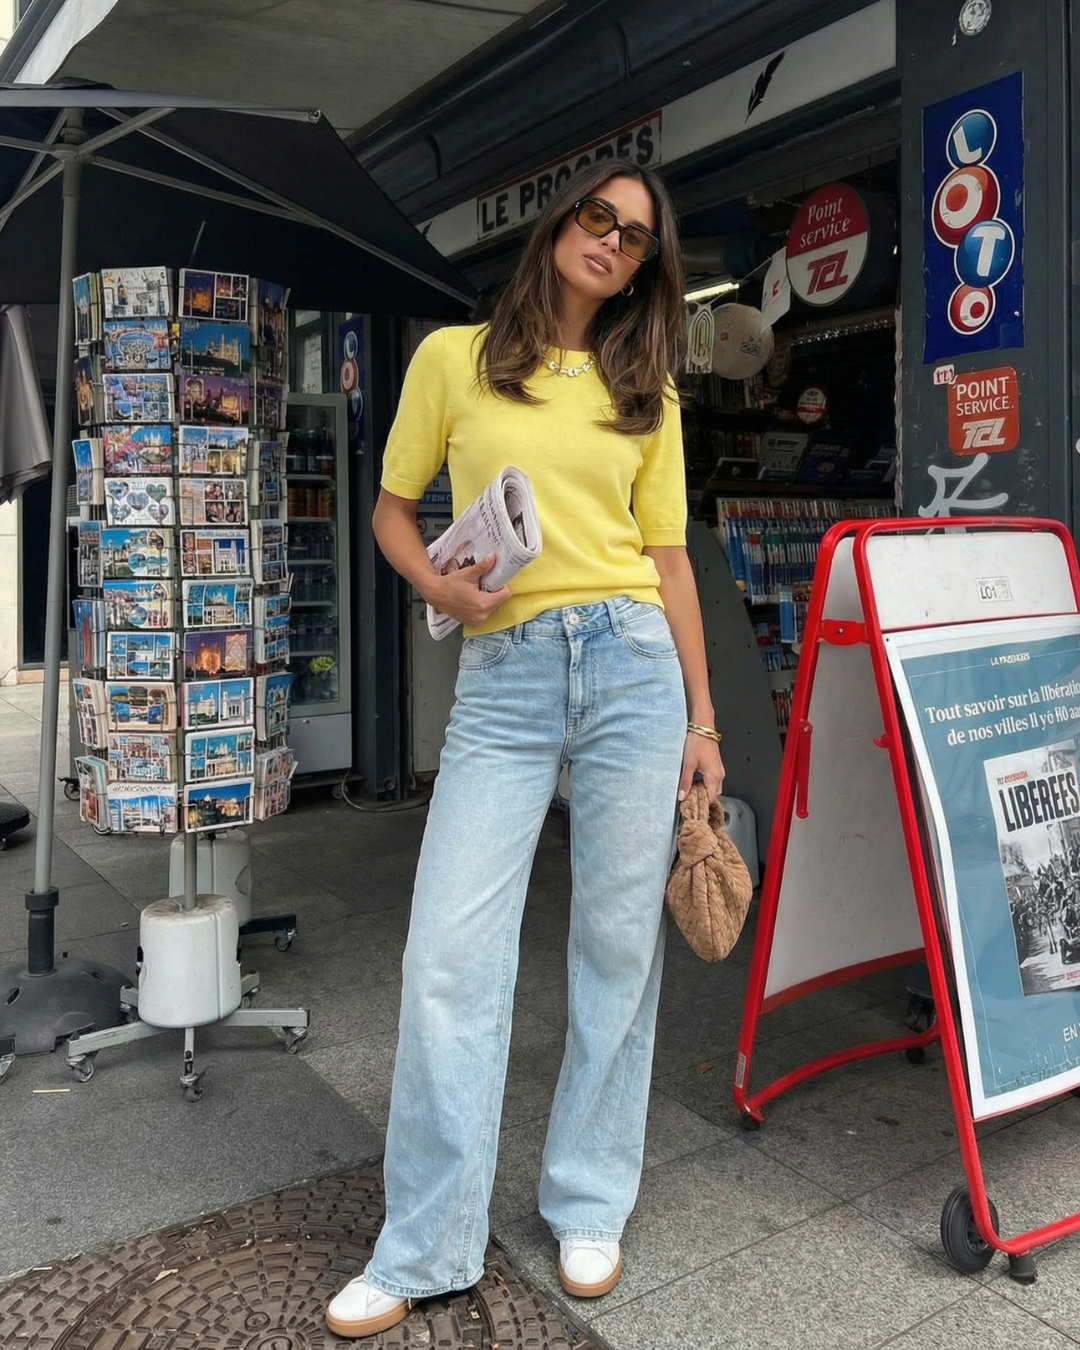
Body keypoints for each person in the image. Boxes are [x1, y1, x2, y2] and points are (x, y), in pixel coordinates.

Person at [326, 163, 725, 1340]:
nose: (612, 241)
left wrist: (702, 720)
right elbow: (394, 507)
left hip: (633, 669)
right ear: (558, 225)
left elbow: (669, 562)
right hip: (502, 677)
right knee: (448, 954)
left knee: (615, 947)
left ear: (648, 268)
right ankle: (424, 1244)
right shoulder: (453, 358)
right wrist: (432, 579)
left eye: (637, 237)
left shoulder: (647, 388)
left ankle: (590, 1196)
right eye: (598, 217)